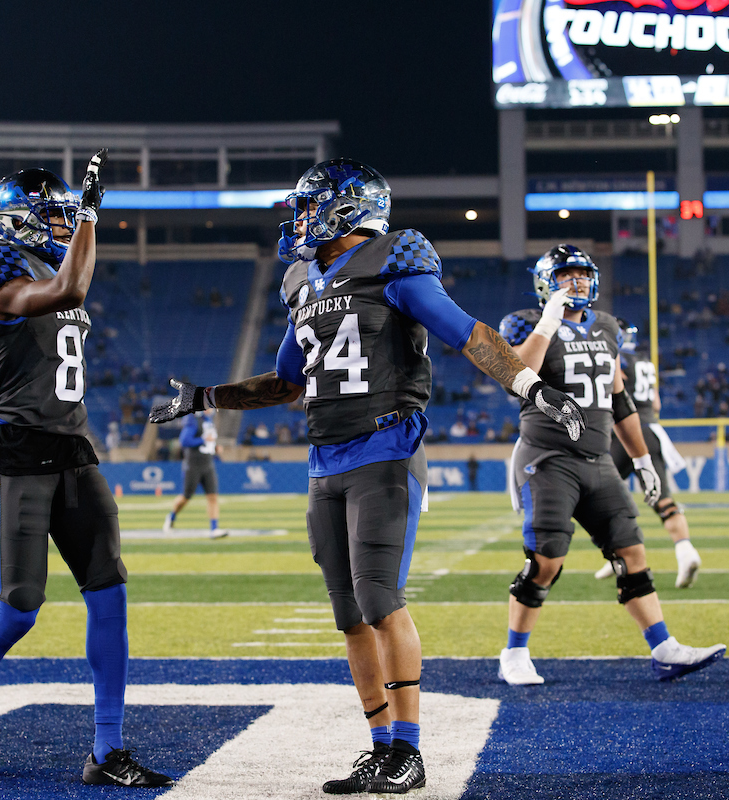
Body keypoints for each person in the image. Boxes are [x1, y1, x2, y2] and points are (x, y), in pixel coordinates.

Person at [150, 158, 585, 795]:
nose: (299, 218)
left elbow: (467, 335)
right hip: (324, 460)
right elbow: (287, 383)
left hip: (384, 450)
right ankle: (379, 749)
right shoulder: (304, 283)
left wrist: (529, 385)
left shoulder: (395, 266)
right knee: (350, 615)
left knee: (380, 601)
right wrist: (205, 398)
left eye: (311, 205)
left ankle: (409, 752)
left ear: (347, 207)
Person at [0, 152, 171, 788]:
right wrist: (90, 214)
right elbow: (68, 290)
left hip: (73, 446)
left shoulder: (47, 260)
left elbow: (70, 281)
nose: (64, 222)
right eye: (54, 213)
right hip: (18, 450)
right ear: (18, 221)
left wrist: (82, 222)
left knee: (110, 591)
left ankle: (107, 749)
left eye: (69, 214)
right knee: (20, 607)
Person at [497, 245, 726, 687]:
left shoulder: (606, 327)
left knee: (632, 551)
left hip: (599, 458)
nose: (577, 282)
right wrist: (549, 319)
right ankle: (515, 651)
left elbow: (621, 400)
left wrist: (642, 460)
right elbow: (517, 374)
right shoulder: (526, 323)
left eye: (583, 275)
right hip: (548, 458)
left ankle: (663, 649)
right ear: (547, 280)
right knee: (547, 558)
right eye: (566, 274)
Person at [599, 319, 702, 587]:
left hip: (624, 432)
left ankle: (616, 554)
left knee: (597, 496)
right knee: (663, 499)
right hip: (652, 430)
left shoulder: (616, 357)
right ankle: (685, 550)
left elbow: (610, 392)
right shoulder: (645, 360)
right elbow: (655, 402)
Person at [164, 409, 221, 534]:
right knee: (186, 497)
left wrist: (215, 447)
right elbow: (184, 441)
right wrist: (204, 440)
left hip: (208, 463)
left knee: (212, 496)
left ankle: (214, 528)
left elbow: (208, 441)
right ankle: (171, 516)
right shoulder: (193, 420)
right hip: (193, 464)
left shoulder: (209, 421)